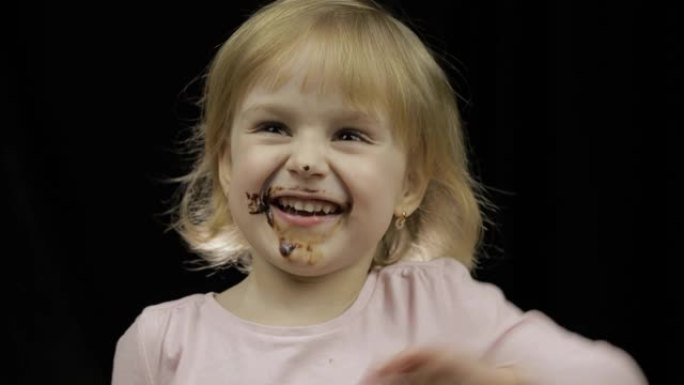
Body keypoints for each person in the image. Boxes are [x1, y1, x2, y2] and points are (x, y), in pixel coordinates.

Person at [112, 0, 648, 384]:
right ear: (227, 164)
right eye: (274, 126)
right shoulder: (163, 342)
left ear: (408, 187)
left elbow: (616, 376)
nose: (304, 160)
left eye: (349, 135)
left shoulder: (439, 304)